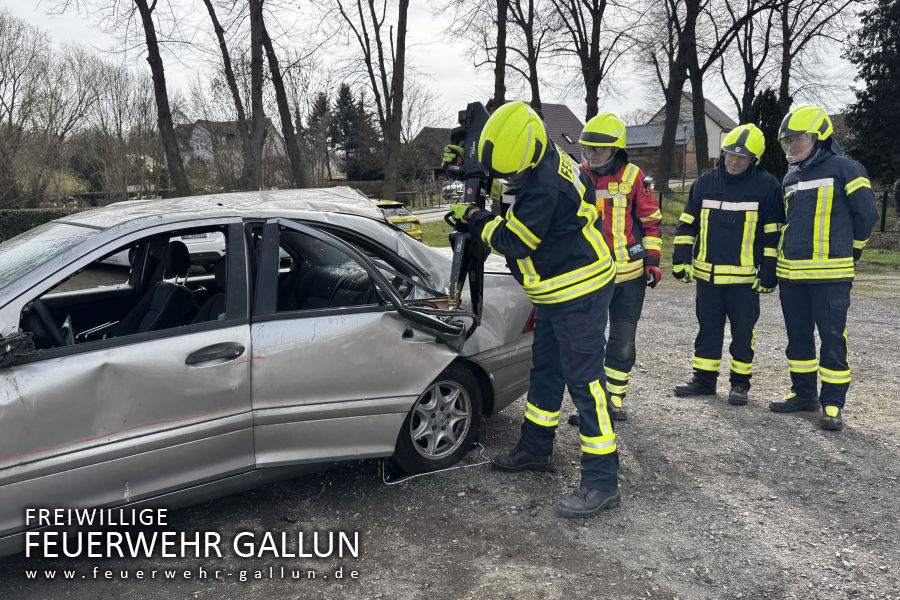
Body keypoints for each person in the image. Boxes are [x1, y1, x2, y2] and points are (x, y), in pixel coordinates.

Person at [447, 100, 619, 518]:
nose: (509, 178)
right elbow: (496, 164)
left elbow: (514, 241)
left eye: (513, 173)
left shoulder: (544, 185)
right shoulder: (534, 153)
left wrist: (474, 216)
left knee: (585, 383)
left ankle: (601, 480)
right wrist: (462, 154)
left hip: (578, 289)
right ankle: (535, 450)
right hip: (557, 291)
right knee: (545, 371)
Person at [768, 105, 878, 431]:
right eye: (788, 140)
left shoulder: (847, 168)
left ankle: (832, 403)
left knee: (832, 338)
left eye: (799, 138)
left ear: (818, 137)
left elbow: (867, 216)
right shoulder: (791, 175)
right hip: (792, 275)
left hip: (830, 275)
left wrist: (852, 251)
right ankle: (803, 395)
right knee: (798, 338)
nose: (793, 145)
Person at [671, 124, 784, 405]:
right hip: (707, 277)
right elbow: (688, 224)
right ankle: (704, 380)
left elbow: (773, 233)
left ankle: (740, 384)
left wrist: (769, 272)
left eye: (742, 157)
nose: (734, 160)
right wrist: (681, 260)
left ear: (754, 159)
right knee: (707, 330)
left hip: (745, 280)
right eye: (730, 154)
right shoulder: (705, 182)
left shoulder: (767, 186)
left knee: (743, 333)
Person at [573, 112, 663, 422]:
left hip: (629, 277)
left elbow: (651, 222)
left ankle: (614, 400)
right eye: (588, 148)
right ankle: (591, 404)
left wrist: (652, 262)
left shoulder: (635, 177)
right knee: (588, 342)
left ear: (616, 150)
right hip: (591, 277)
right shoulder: (577, 175)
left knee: (622, 341)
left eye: (599, 149)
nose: (592, 154)